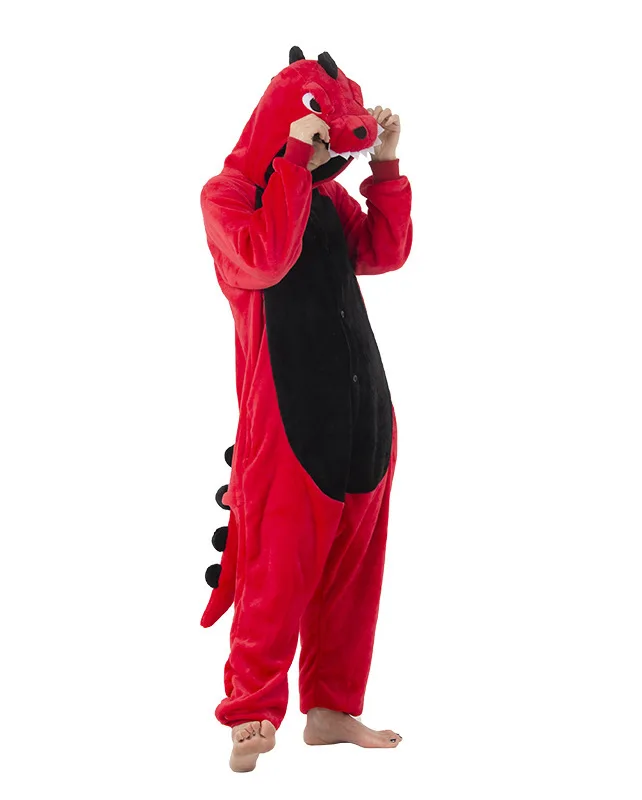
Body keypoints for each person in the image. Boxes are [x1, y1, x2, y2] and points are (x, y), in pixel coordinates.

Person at [199, 47, 413, 772]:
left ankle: (330, 709)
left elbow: (382, 252)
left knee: (353, 569)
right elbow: (264, 260)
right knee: (278, 566)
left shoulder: (324, 198)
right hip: (290, 414)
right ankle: (252, 709)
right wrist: (293, 160)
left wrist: (385, 165)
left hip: (364, 406)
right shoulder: (227, 197)